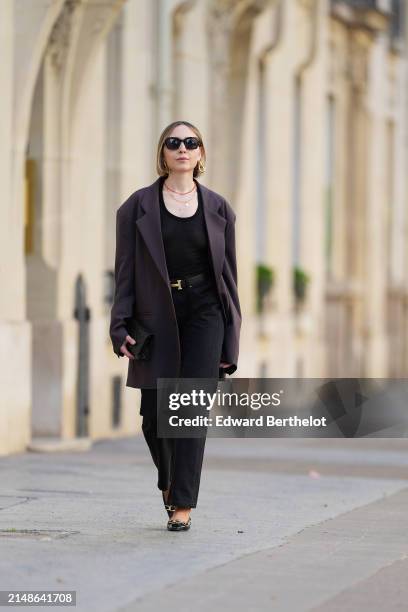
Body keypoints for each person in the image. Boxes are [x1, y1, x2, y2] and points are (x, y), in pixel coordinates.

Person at [109, 120, 241, 531]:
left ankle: (182, 503)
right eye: (173, 142)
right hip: (155, 314)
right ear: (162, 153)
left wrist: (230, 341)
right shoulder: (136, 207)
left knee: (189, 410)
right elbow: (125, 271)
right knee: (154, 416)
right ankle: (168, 480)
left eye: (191, 142)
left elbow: (229, 278)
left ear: (201, 153)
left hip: (205, 313)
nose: (182, 149)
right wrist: (120, 324)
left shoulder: (218, 208)